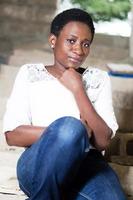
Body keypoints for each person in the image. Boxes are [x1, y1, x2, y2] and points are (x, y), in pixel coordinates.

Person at [3, 8, 126, 200]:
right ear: (53, 41)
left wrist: (78, 89)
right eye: (71, 41)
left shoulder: (99, 79)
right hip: (39, 161)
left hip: (88, 165)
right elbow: (12, 135)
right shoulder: (30, 73)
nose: (79, 50)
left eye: (86, 44)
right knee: (70, 128)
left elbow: (102, 141)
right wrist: (74, 134)